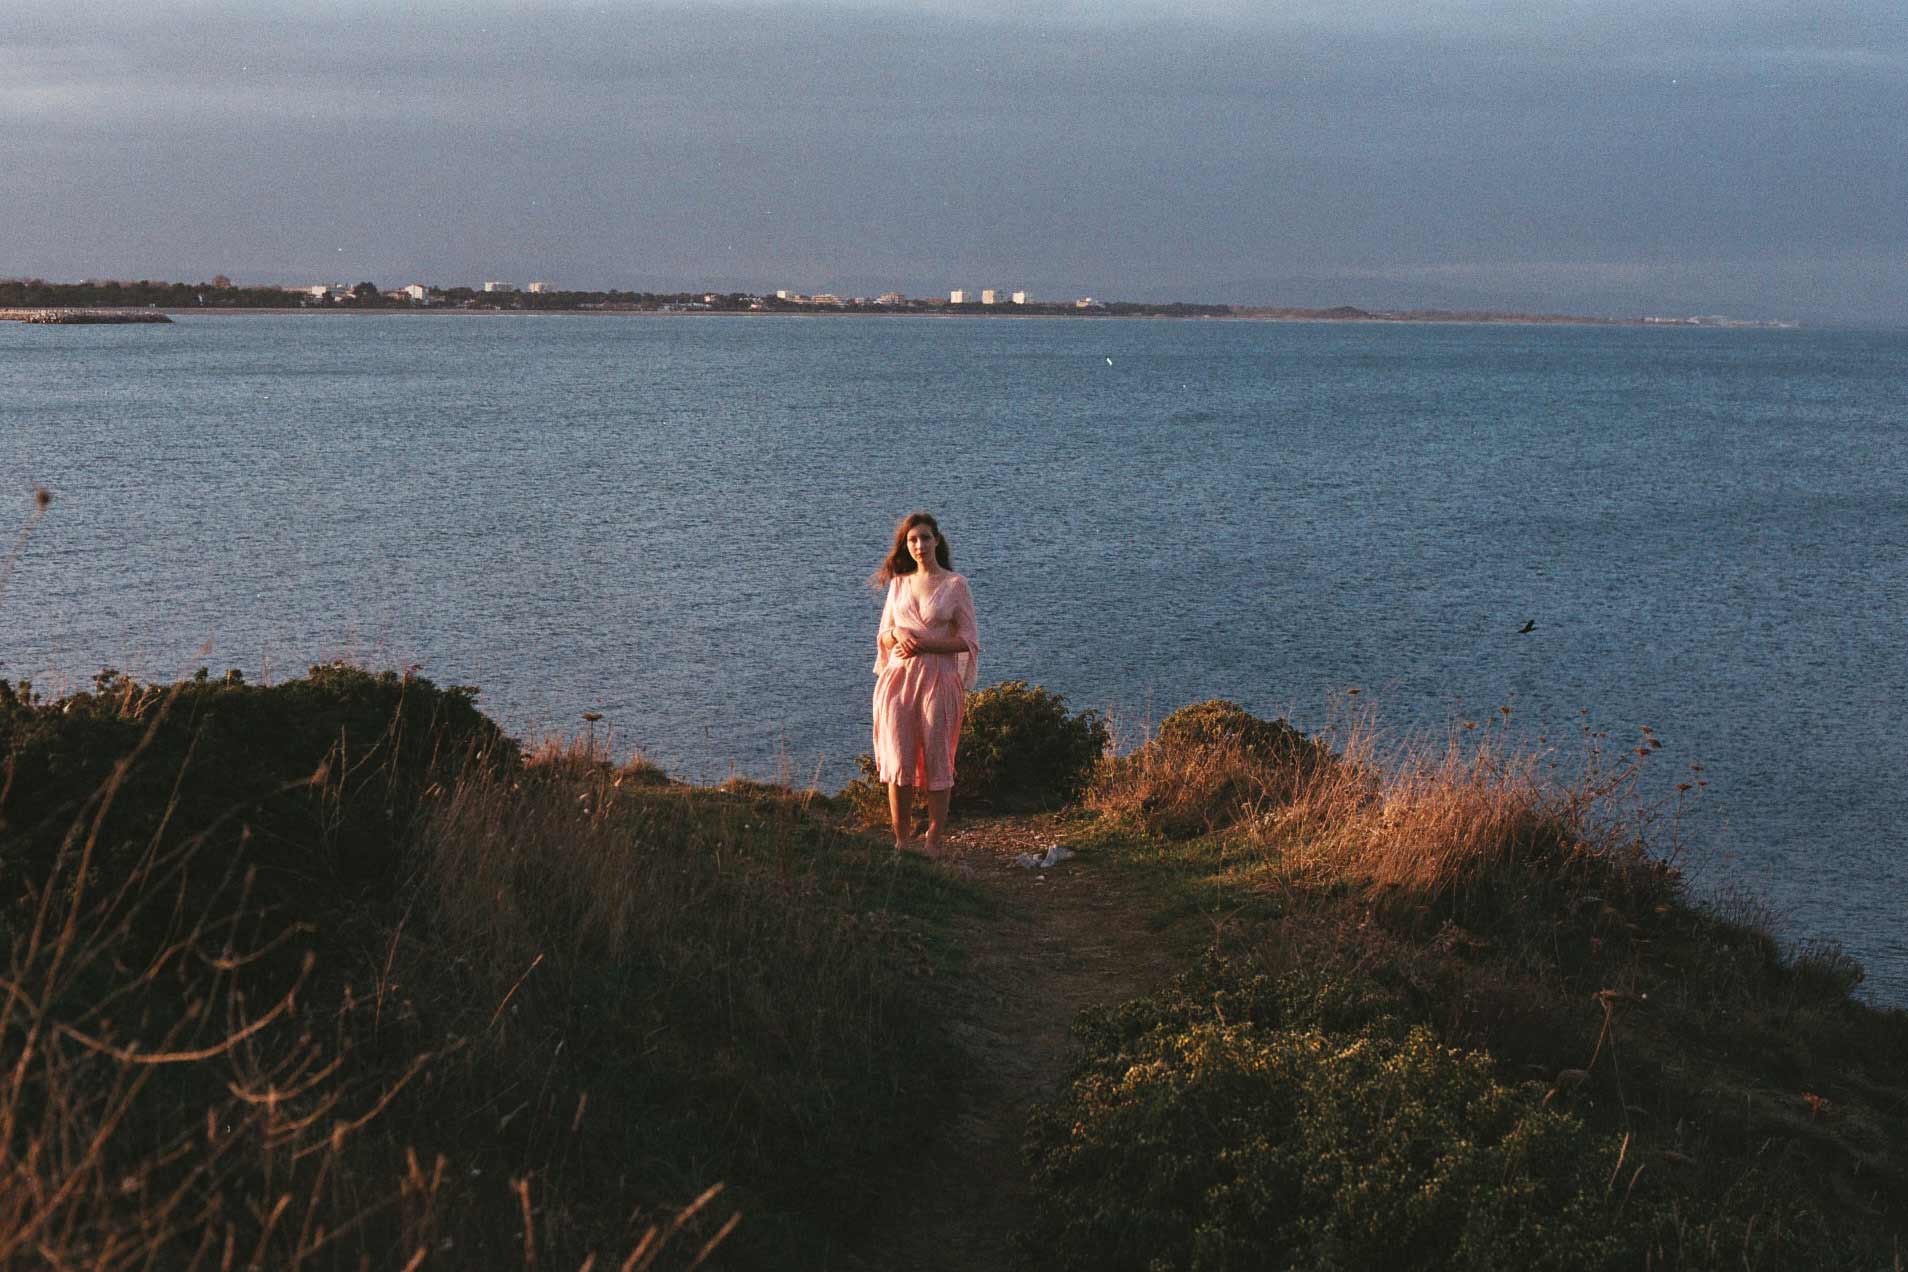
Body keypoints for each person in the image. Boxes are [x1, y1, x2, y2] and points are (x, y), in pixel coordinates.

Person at [871, 512, 980, 859]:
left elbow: (969, 641)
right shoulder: (899, 584)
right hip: (899, 681)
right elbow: (884, 635)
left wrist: (928, 645)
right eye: (912, 540)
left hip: (939, 679)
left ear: (937, 540)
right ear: (906, 545)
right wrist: (897, 633)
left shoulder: (955, 585)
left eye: (925, 538)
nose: (919, 545)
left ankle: (933, 840)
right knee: (898, 760)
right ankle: (901, 840)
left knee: (938, 758)